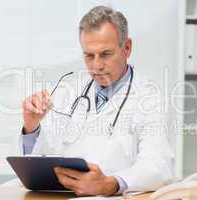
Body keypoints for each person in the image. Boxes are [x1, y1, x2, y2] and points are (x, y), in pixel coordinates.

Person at [21, 6, 173, 196]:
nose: (97, 65)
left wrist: (111, 184)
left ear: (127, 48)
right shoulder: (69, 92)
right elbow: (45, 160)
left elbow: (158, 166)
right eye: (89, 56)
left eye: (105, 54)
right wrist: (31, 127)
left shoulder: (149, 98)